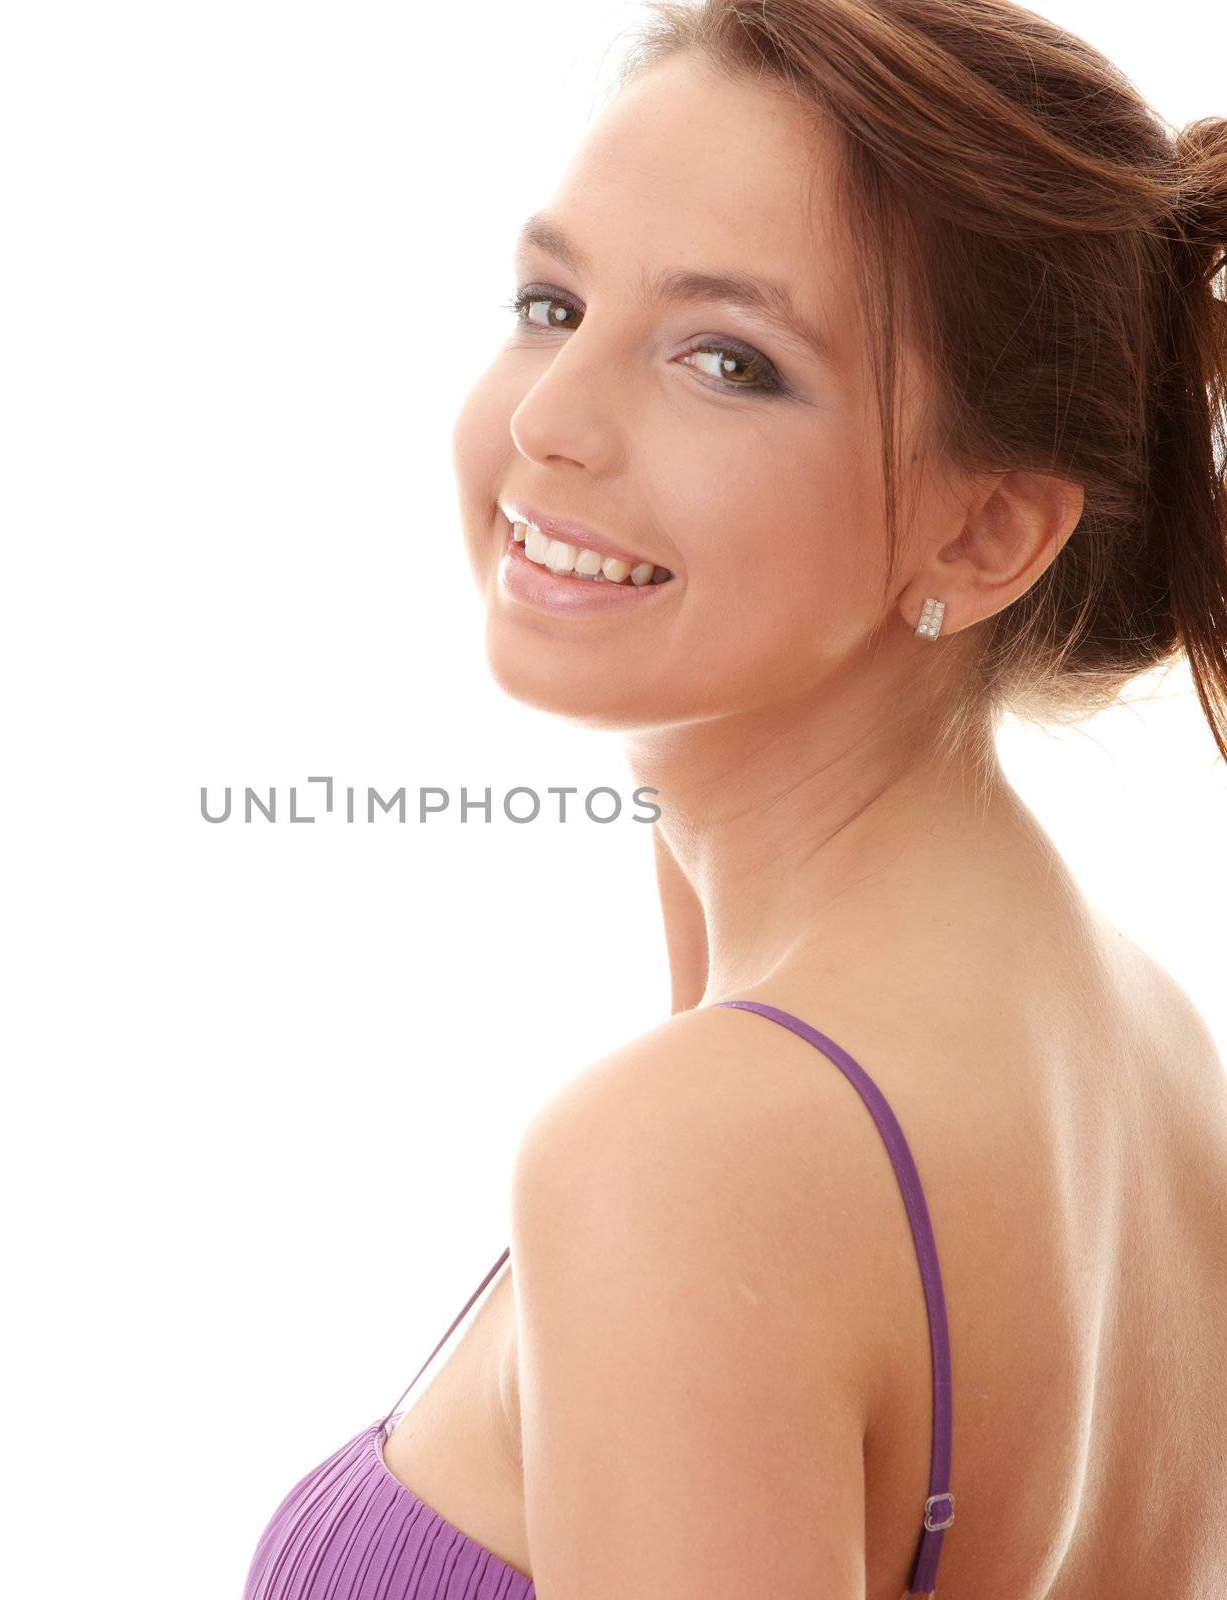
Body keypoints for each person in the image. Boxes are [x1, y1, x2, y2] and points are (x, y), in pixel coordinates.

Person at [242, 1, 1227, 1595]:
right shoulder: (1145, 1046)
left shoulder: (694, 1159)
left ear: (984, 537)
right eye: (551, 302)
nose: (550, 426)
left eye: (727, 360)